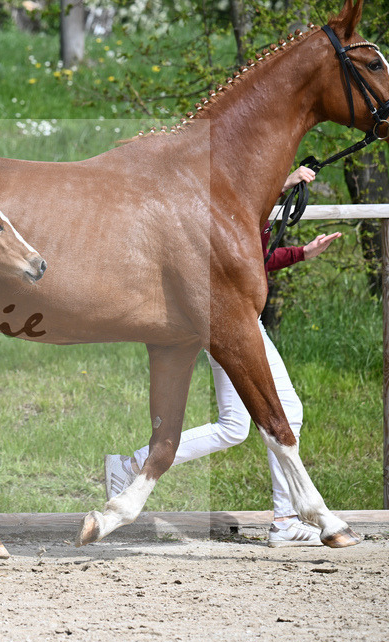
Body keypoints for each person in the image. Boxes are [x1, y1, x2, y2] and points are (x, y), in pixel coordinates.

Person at [105, 166, 342, 548]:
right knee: (287, 411)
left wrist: (303, 252)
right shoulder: (226, 197)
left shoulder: (243, 205)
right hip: (230, 321)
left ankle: (130, 465)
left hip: (230, 319)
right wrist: (282, 183)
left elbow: (251, 262)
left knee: (233, 427)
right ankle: (285, 520)